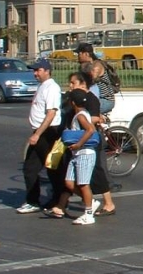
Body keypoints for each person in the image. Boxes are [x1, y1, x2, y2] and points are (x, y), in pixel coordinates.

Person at [47, 89, 100, 225]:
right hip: (76, 154)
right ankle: (91, 202)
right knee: (69, 183)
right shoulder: (82, 113)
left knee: (83, 184)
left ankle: (88, 214)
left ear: (72, 102)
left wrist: (78, 144)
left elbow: (90, 130)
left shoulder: (81, 115)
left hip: (84, 153)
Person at [17, 58, 62, 214]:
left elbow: (51, 113)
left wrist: (38, 134)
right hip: (39, 132)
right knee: (31, 168)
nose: (35, 73)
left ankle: (58, 200)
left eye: (38, 70)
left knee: (51, 168)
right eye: (34, 71)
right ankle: (33, 200)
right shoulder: (42, 86)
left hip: (48, 133)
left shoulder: (52, 88)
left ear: (47, 71)